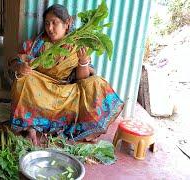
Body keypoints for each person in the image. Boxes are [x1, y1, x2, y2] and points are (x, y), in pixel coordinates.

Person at [9, 4, 124, 145]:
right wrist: (20, 66)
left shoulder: (78, 45)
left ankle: (85, 128)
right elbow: (14, 60)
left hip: (67, 95)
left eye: (54, 23)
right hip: (41, 91)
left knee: (96, 82)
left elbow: (82, 80)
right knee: (23, 79)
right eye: (47, 23)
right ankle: (30, 127)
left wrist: (83, 62)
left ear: (67, 23)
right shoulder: (38, 44)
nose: (50, 28)